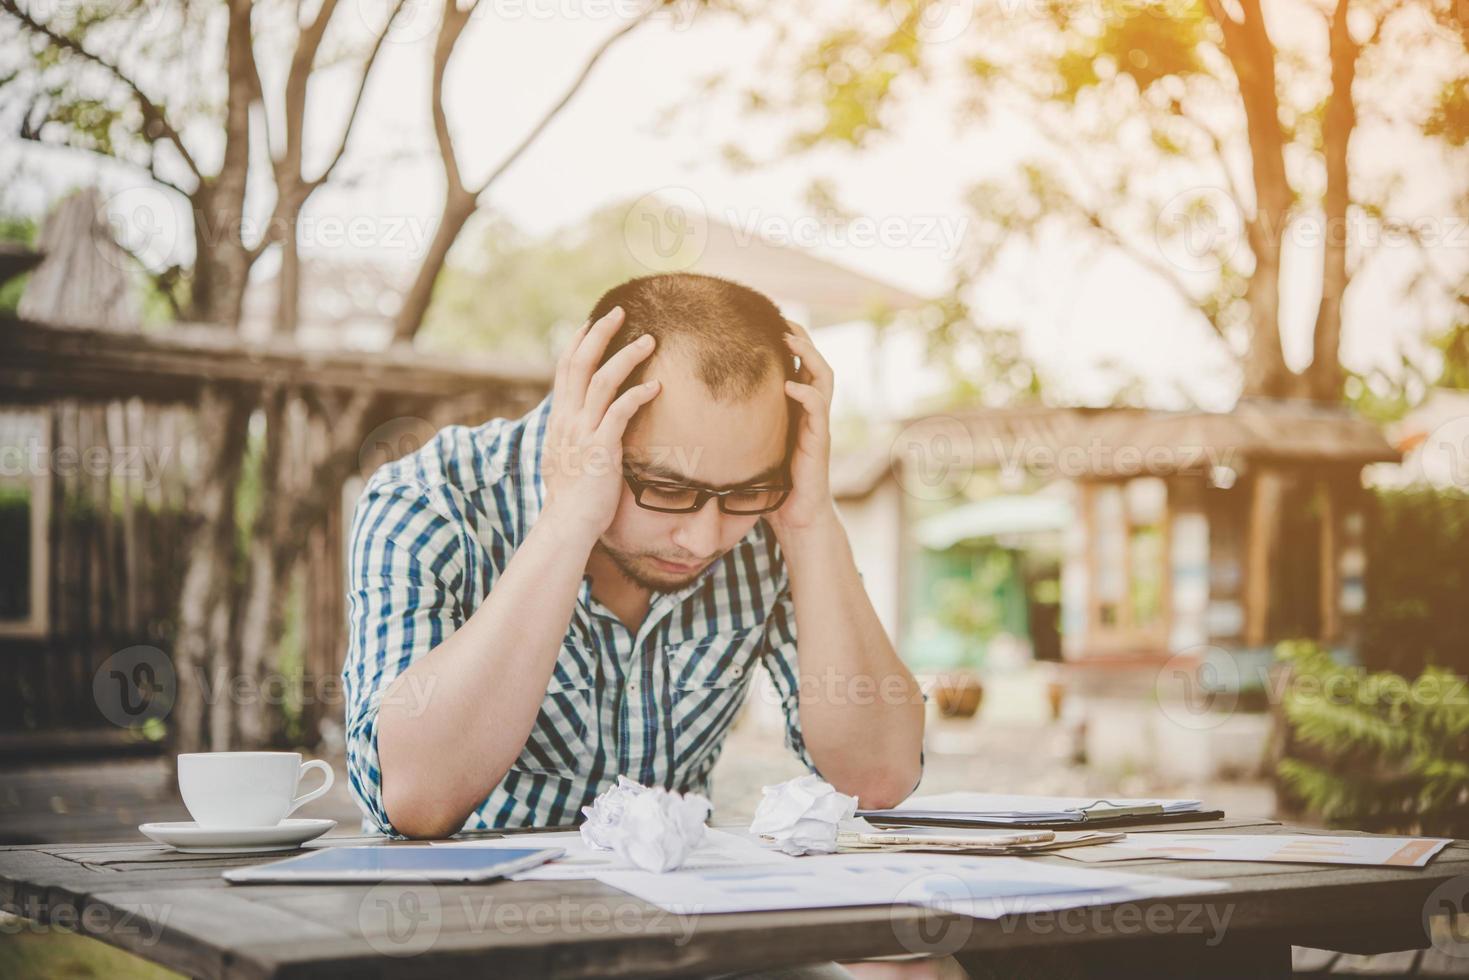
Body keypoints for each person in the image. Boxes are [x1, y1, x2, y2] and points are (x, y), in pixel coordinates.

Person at [342, 272, 924, 842]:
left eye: (745, 492)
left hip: (678, 920)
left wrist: (808, 523)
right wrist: (567, 520)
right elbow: (415, 798)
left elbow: (877, 778)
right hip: (455, 924)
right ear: (591, 420)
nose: (702, 540)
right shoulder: (431, 501)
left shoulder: (779, 511)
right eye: (668, 490)